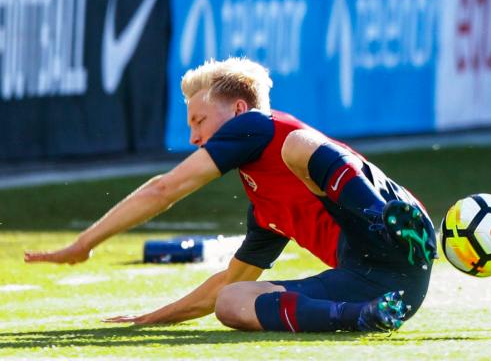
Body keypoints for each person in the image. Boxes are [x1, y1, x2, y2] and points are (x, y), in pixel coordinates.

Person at [24, 57, 436, 333]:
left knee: (298, 144)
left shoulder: (259, 125)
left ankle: (386, 224)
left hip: (390, 233)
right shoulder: (264, 206)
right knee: (230, 300)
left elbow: (164, 188)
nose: (194, 137)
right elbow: (228, 281)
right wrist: (150, 319)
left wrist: (84, 243)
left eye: (199, 119)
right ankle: (359, 317)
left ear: (239, 111)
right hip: (388, 289)